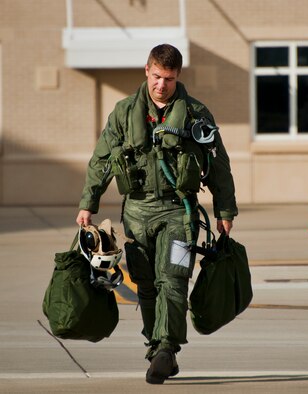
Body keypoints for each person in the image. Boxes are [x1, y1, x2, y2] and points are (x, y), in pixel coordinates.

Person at [76, 44, 238, 384]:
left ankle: (167, 347)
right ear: (146, 70)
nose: (161, 85)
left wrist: (225, 209)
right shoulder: (123, 113)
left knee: (173, 278)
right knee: (147, 285)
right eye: (156, 77)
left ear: (178, 76)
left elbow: (218, 165)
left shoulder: (196, 114)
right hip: (136, 212)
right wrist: (88, 203)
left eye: (168, 79)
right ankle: (155, 347)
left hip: (179, 210)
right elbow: (102, 161)